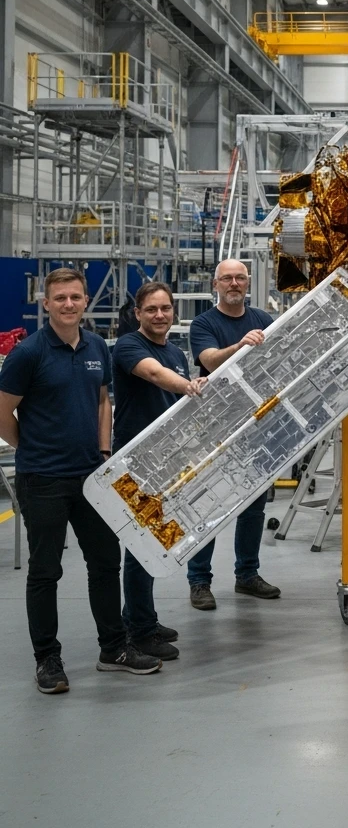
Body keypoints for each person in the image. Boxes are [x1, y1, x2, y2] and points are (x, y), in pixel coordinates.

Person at [0, 268, 161, 693]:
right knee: (45, 571)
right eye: (60, 299)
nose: (68, 304)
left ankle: (113, 648)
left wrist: (103, 452)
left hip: (91, 477)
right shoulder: (28, 354)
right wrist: (30, 449)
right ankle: (47, 660)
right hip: (44, 480)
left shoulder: (95, 346)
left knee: (106, 563)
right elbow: (2, 414)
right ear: (46, 304)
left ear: (85, 300)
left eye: (75, 297)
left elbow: (103, 399)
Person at [113, 281, 205, 660]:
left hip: (166, 460)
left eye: (165, 308)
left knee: (156, 543)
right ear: (138, 314)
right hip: (138, 461)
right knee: (141, 547)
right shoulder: (129, 346)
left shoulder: (174, 351)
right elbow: (153, 375)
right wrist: (190, 386)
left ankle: (142, 617)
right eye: (151, 309)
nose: (159, 315)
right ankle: (138, 631)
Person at [186, 259, 280, 609]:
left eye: (240, 278)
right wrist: (241, 345)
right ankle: (199, 581)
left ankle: (247, 575)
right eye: (227, 278)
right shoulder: (204, 323)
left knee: (254, 507)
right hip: (215, 424)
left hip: (256, 422)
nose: (234, 284)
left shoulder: (263, 320)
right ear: (216, 284)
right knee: (208, 506)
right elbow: (210, 362)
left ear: (249, 282)